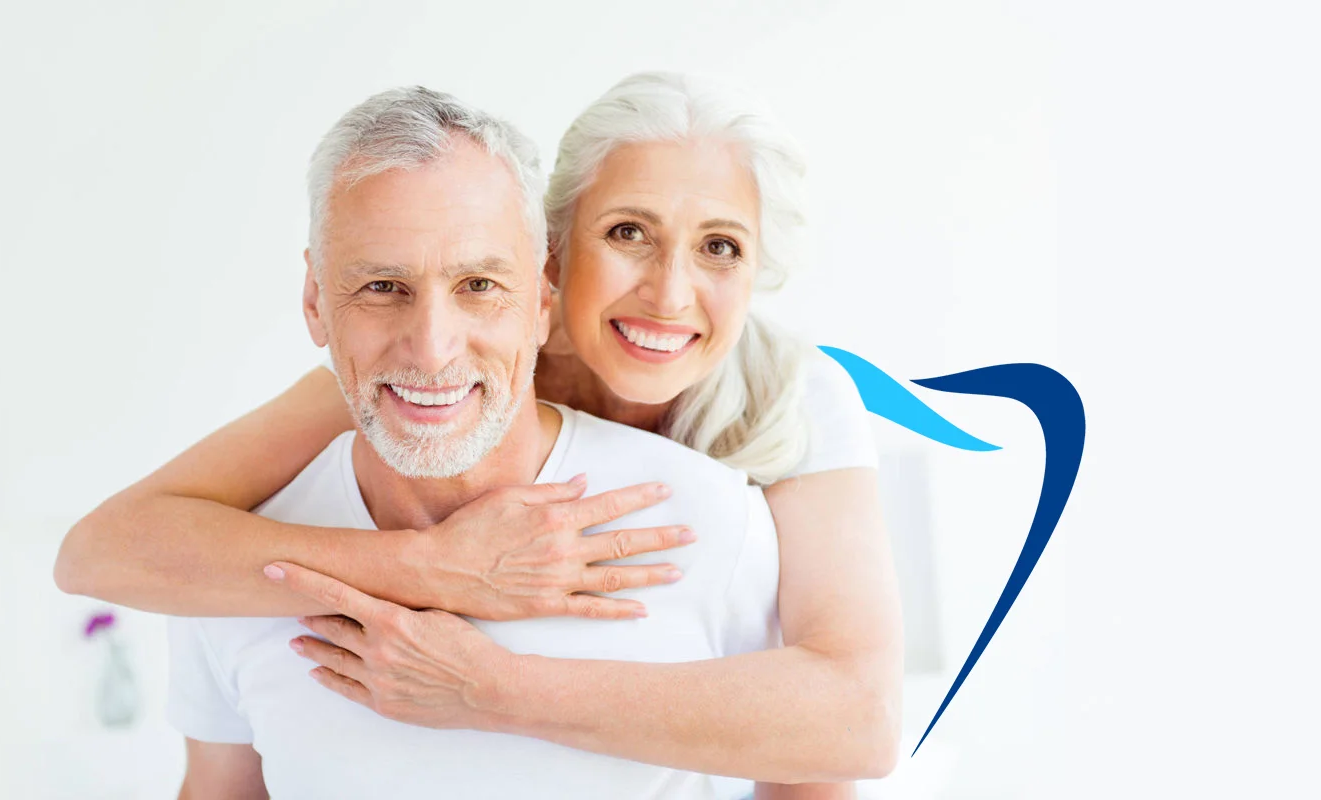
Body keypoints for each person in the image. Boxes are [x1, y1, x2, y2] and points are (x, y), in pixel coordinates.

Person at [57, 73, 901, 794]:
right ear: (557, 257)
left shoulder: (779, 427)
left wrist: (492, 688)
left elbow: (852, 725)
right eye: (628, 232)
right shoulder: (410, 380)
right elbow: (102, 552)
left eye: (720, 247)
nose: (669, 297)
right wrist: (435, 568)